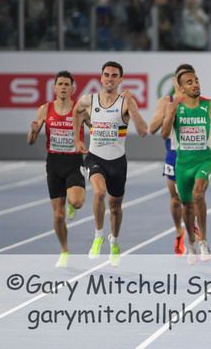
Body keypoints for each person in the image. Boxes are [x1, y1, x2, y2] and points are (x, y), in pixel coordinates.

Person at [73, 61, 148, 267]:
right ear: (101, 78)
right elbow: (76, 111)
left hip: (117, 162)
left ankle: (114, 241)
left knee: (115, 208)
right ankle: (98, 236)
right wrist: (77, 139)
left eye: (114, 76)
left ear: (120, 79)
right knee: (98, 193)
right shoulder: (89, 100)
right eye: (106, 75)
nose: (110, 78)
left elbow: (143, 131)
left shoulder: (124, 103)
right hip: (95, 157)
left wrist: (131, 104)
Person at [161, 69, 211, 265]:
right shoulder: (174, 107)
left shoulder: (210, 105)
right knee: (187, 205)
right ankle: (190, 241)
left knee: (198, 194)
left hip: (204, 160)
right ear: (181, 88)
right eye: (190, 82)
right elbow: (164, 134)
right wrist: (170, 116)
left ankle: (203, 241)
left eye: (197, 80)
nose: (195, 84)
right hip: (182, 163)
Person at [27, 71, 88, 268]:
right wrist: (33, 131)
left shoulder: (79, 110)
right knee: (58, 215)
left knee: (77, 202)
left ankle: (72, 202)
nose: (63, 87)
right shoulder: (45, 110)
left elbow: (97, 129)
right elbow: (31, 141)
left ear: (72, 88)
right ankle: (64, 250)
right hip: (53, 163)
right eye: (60, 84)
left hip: (74, 162)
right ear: (54, 88)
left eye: (66, 84)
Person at [149, 64, 198, 257]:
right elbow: (152, 128)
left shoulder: (197, 99)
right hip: (173, 155)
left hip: (193, 156)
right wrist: (169, 111)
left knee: (192, 199)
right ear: (174, 81)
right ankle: (179, 230)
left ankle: (192, 229)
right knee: (176, 200)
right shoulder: (165, 101)